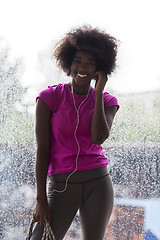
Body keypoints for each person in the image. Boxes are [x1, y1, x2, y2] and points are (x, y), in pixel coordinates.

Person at [31, 25, 119, 240]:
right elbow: (42, 149)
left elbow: (98, 138)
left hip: (98, 182)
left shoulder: (108, 101)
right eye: (78, 60)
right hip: (61, 184)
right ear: (68, 62)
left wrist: (98, 93)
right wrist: (41, 199)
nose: (83, 67)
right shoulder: (49, 98)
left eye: (90, 63)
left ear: (99, 69)